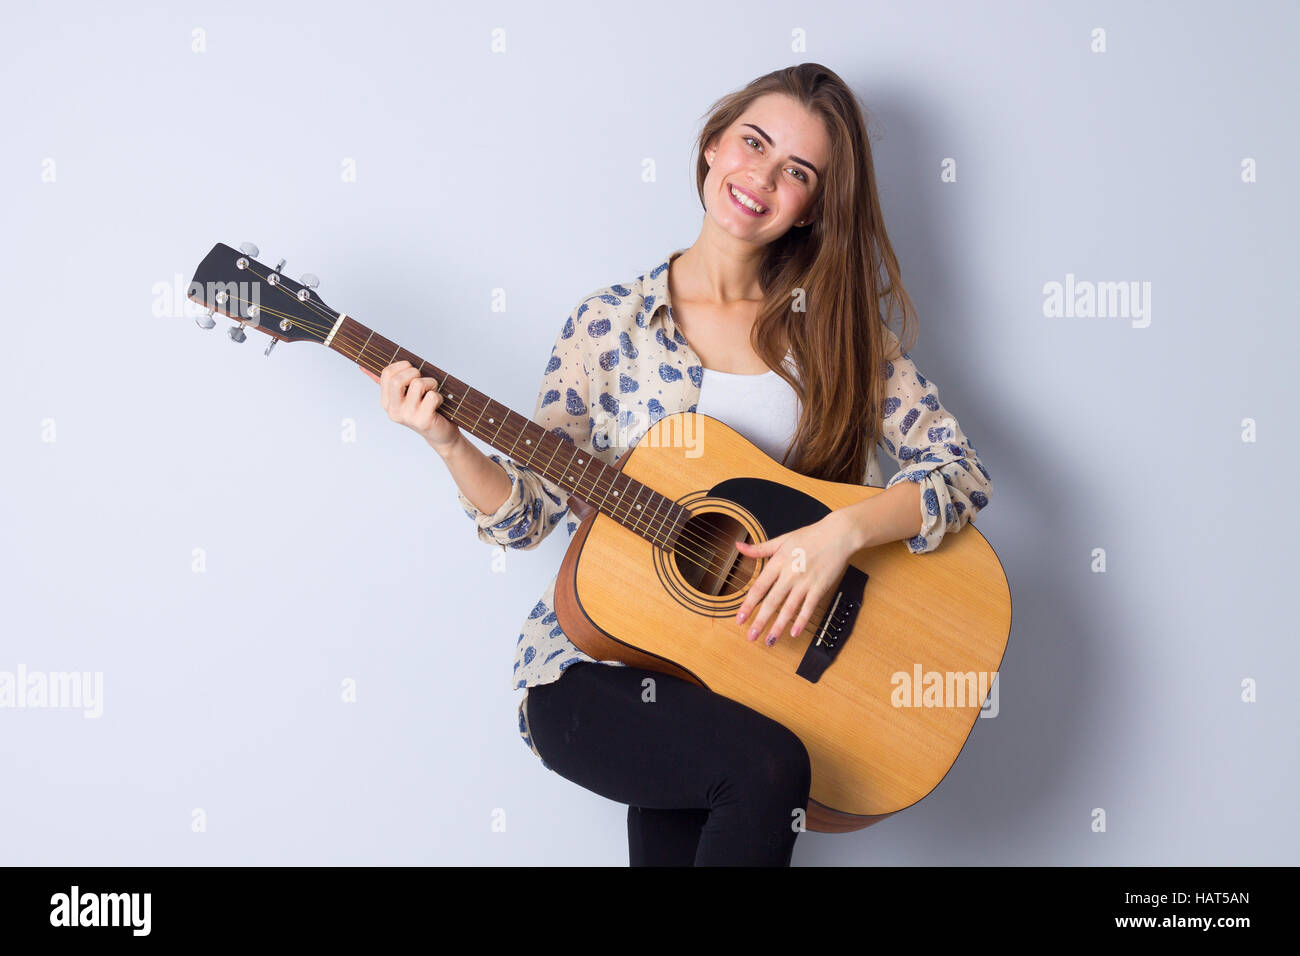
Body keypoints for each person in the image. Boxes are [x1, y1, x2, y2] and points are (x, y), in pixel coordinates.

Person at [365, 62, 993, 866]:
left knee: (745, 761)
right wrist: (448, 440)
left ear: (814, 207)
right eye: (752, 143)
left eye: (796, 172)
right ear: (711, 146)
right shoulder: (606, 328)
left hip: (744, 675)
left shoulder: (836, 334)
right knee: (761, 766)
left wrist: (839, 535)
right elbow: (529, 519)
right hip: (599, 664)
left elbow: (959, 473)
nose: (760, 178)